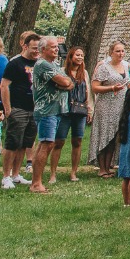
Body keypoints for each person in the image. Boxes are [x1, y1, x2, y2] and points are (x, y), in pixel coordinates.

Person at [26, 36, 74, 194]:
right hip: (47, 110)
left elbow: (69, 83)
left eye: (56, 47)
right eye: (52, 47)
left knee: (46, 144)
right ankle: (36, 183)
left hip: (57, 109)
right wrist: (64, 82)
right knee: (46, 144)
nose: (56, 49)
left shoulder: (55, 64)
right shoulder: (43, 64)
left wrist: (63, 83)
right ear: (43, 49)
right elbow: (64, 82)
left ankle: (36, 181)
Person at [0, 31, 40, 188]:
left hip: (34, 109)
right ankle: (6, 176)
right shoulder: (15, 64)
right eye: (34, 48)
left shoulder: (38, 64)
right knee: (12, 143)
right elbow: (4, 85)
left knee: (25, 143)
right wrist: (8, 108)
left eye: (39, 48)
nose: (37, 51)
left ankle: (16, 174)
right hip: (18, 108)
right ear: (25, 46)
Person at [87, 40, 130, 177]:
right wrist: (111, 88)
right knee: (104, 135)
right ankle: (102, 168)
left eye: (122, 51)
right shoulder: (104, 67)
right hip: (105, 106)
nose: (120, 53)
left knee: (113, 137)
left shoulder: (126, 66)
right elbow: (95, 87)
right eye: (117, 51)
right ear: (111, 52)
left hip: (120, 106)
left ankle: (109, 166)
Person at [49, 45, 88, 183]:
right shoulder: (61, 72)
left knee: (77, 140)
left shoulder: (85, 73)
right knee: (58, 141)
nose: (80, 57)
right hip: (64, 111)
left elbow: (88, 91)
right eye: (77, 55)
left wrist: (90, 109)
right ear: (70, 56)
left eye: (82, 55)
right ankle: (53, 173)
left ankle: (73, 172)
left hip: (80, 111)